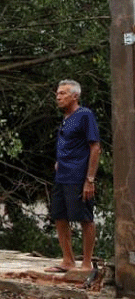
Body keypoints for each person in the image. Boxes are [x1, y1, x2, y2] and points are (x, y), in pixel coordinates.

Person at [47, 79, 101, 273]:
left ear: (75, 96)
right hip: (62, 175)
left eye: (62, 93)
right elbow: (70, 144)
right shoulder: (66, 118)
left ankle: (86, 263)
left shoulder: (84, 115)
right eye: (57, 94)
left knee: (85, 217)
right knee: (59, 216)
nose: (58, 97)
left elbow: (95, 147)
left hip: (79, 176)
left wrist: (90, 180)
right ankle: (68, 260)